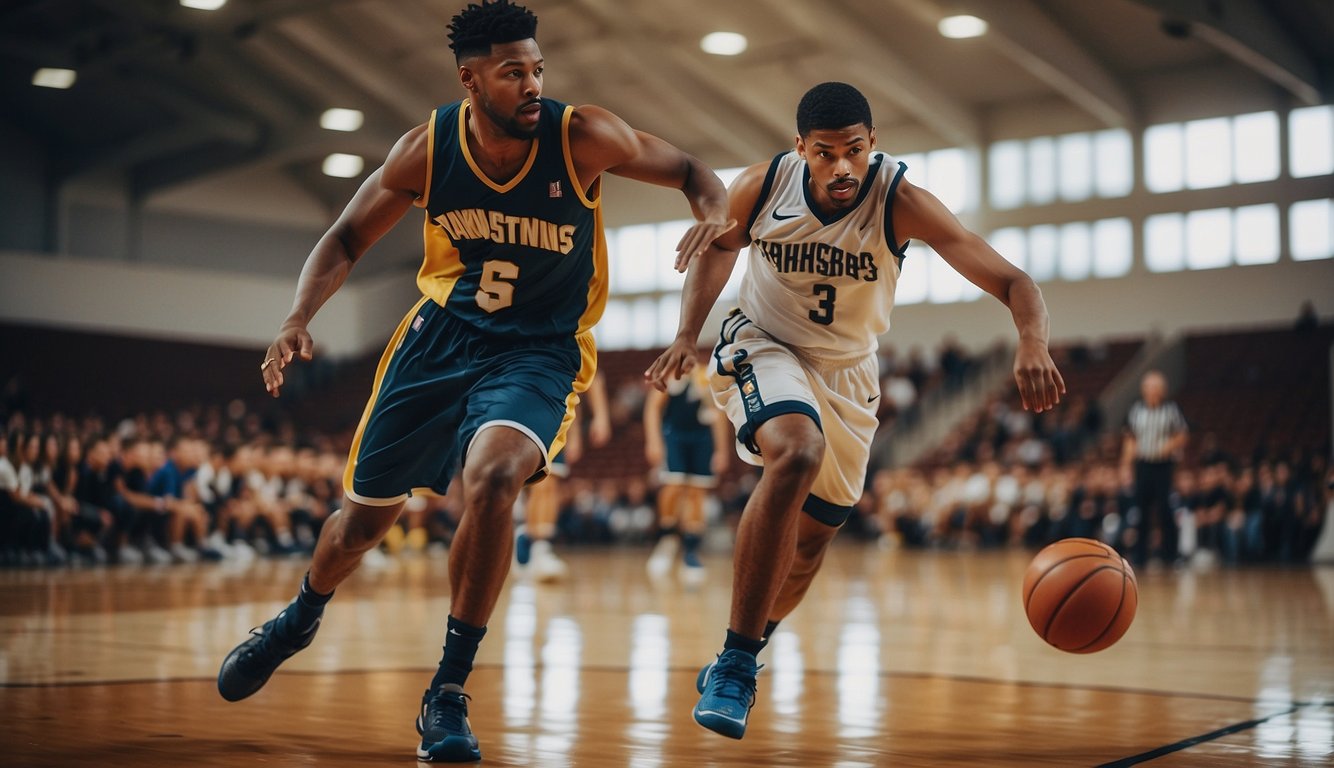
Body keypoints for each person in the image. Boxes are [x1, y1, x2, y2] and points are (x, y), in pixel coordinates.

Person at [214, 1, 730, 762]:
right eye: (513, 71)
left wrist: (714, 213)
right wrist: (297, 316)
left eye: (537, 68)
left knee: (492, 478)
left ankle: (447, 692)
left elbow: (693, 172)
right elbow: (347, 236)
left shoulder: (581, 134)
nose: (532, 83)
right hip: (439, 340)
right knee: (360, 526)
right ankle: (297, 617)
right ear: (470, 80)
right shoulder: (426, 150)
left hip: (540, 350)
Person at [645, 82, 1065, 739]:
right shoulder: (764, 184)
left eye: (855, 151)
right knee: (797, 451)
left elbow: (1016, 282)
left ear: (873, 145)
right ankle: (735, 663)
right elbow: (721, 249)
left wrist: (1032, 340)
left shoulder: (900, 202)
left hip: (848, 375)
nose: (842, 167)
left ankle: (746, 648)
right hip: (764, 342)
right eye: (826, 154)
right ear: (800, 149)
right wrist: (684, 334)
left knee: (810, 549)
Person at [642, 357, 731, 584]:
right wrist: (653, 441)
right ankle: (668, 538)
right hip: (674, 437)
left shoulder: (706, 376)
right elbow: (652, 408)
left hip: (702, 439)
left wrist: (721, 450)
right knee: (673, 486)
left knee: (696, 493)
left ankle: (691, 552)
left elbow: (718, 414)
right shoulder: (669, 374)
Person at [514, 372, 609, 581]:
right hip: (524, 416)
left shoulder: (568, 342)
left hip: (557, 421)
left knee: (547, 485)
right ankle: (528, 539)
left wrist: (598, 420)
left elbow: (588, 382)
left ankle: (538, 545)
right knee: (534, 487)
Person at [1120, 369, 1188, 566]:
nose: (1151, 391)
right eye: (1148, 387)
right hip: (1142, 465)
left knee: (1165, 509)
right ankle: (1140, 557)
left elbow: (1182, 434)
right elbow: (1130, 439)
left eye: (1155, 387)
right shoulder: (1136, 410)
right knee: (1140, 511)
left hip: (1163, 466)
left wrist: (1166, 447)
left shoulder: (1171, 409)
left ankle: (1170, 556)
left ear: (1163, 390)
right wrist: (1125, 466)